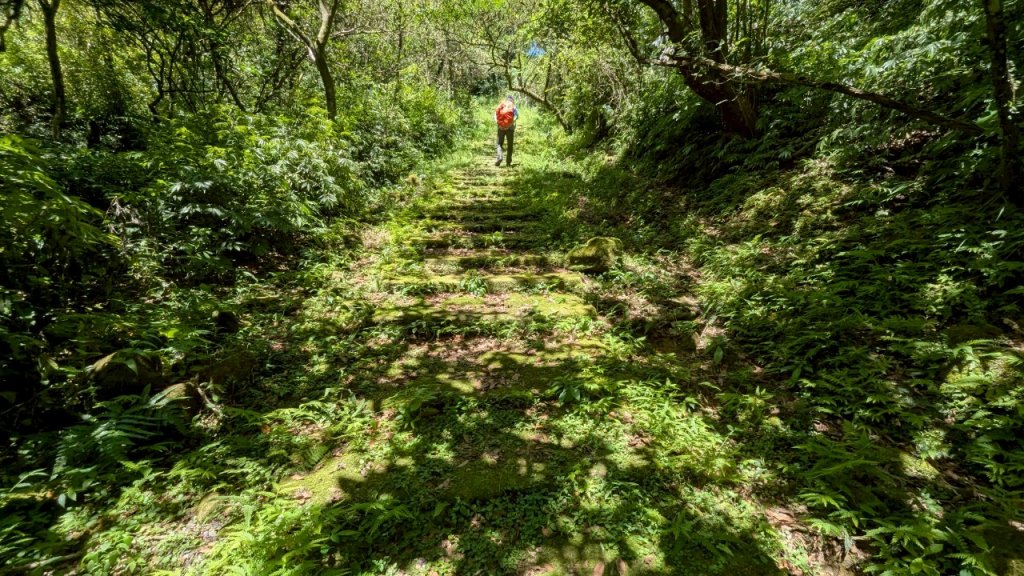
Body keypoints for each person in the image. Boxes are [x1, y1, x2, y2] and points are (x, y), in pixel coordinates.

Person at [494, 96, 518, 167]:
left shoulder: (501, 105)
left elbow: (495, 116)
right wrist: (510, 124)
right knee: (510, 145)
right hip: (510, 128)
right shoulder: (513, 106)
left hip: (500, 128)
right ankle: (508, 162)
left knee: (499, 144)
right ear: (512, 101)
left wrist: (500, 125)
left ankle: (500, 157)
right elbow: (516, 116)